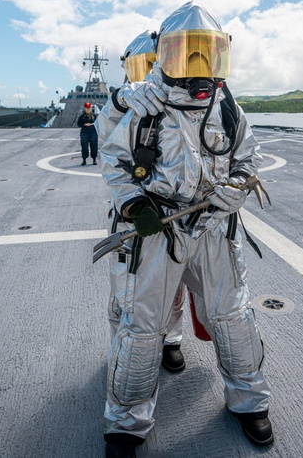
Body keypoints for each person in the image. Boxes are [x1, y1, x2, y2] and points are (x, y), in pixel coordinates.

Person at [97, 2, 273, 458]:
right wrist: (134, 204)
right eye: (185, 51)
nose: (197, 65)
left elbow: (247, 157)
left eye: (205, 51)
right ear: (165, 55)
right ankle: (126, 424)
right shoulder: (146, 104)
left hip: (215, 227)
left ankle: (250, 400)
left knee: (233, 316)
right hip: (159, 231)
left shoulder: (226, 106)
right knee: (142, 327)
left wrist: (237, 187)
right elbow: (113, 160)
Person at [98, 30, 188, 374]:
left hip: (174, 214)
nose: (149, 75)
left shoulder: (177, 104)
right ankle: (123, 349)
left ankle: (171, 341)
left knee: (174, 287)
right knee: (126, 289)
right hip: (132, 212)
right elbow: (106, 143)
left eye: (155, 65)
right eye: (142, 66)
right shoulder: (124, 104)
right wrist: (120, 100)